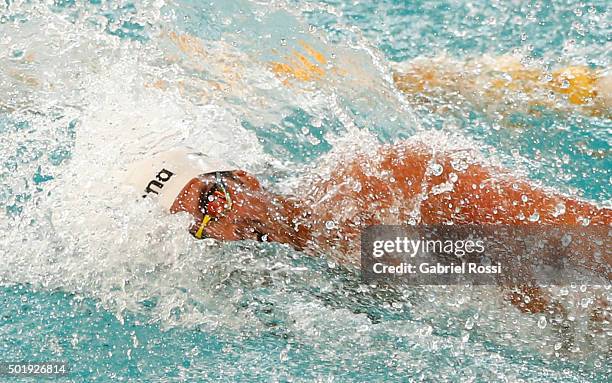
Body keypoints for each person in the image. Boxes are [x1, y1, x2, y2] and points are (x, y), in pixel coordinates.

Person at [125, 144, 610, 313]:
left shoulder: (375, 186)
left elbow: (577, 239)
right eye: (200, 225)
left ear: (244, 178)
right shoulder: (298, 271)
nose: (223, 226)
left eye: (211, 200)